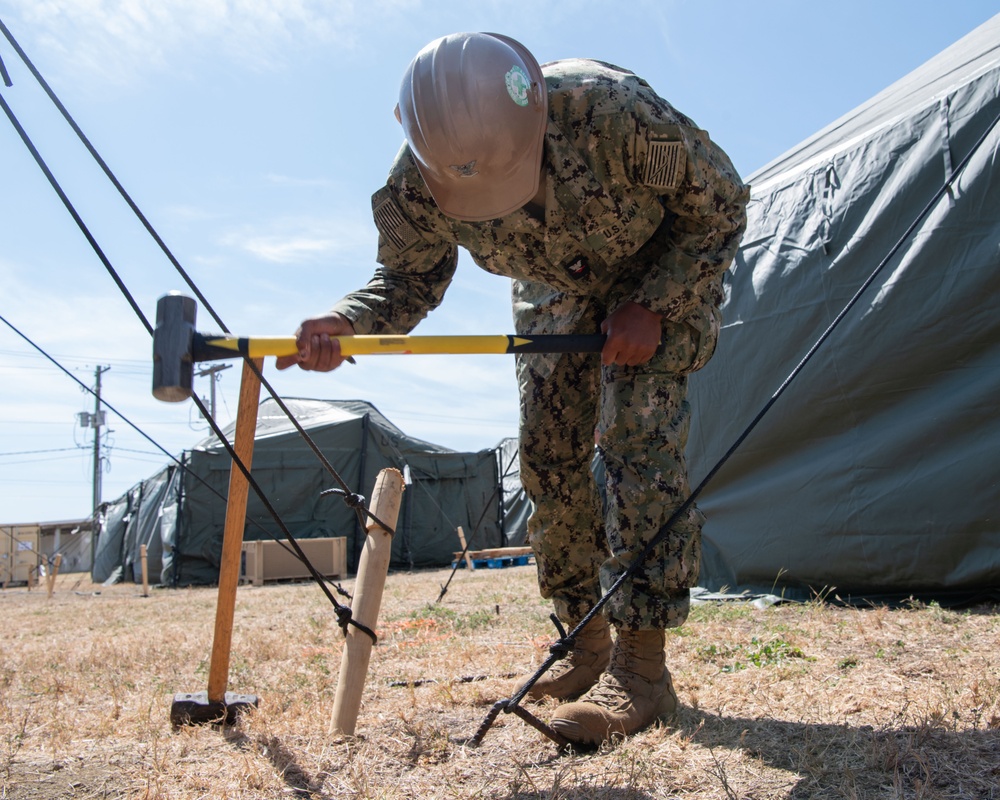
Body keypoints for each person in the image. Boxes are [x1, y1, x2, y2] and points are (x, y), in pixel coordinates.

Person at [277, 32, 749, 745]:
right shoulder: (423, 172)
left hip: (655, 275)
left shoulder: (613, 112)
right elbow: (407, 279)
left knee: (635, 449)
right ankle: (583, 639)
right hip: (554, 293)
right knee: (548, 462)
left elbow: (719, 206)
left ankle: (643, 670)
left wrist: (653, 303)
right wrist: (348, 321)